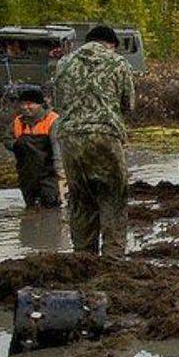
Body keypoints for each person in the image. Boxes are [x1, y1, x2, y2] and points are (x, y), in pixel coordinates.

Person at [53, 24, 134, 257]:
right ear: (112, 44)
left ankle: (83, 259)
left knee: (80, 199)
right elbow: (128, 104)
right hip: (105, 136)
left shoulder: (64, 63)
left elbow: (58, 104)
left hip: (69, 138)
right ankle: (113, 261)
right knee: (113, 197)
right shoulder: (118, 63)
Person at [3, 86, 61, 208]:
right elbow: (6, 139)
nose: (25, 107)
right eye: (22, 104)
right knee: (30, 206)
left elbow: (57, 148)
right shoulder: (17, 121)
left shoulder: (52, 120)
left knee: (50, 205)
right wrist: (17, 144)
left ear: (40, 104)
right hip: (26, 174)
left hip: (48, 174)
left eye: (30, 104)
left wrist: (60, 173)